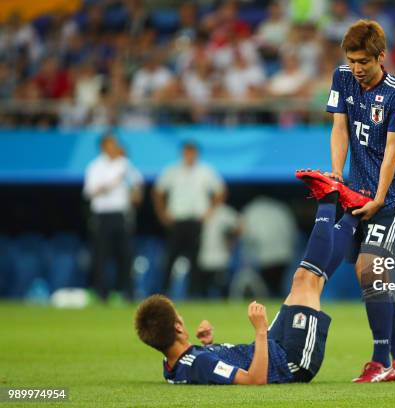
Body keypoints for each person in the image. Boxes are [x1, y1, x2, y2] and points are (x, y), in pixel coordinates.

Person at [134, 176, 372, 384]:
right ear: (177, 327)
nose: (182, 319)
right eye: (178, 317)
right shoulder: (197, 363)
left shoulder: (174, 366)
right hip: (292, 361)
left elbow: (203, 368)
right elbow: (254, 379)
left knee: (312, 280)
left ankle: (354, 211)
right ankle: (328, 199)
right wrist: (259, 329)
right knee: (305, 280)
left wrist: (209, 345)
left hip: (275, 349)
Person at [324, 20, 395, 382]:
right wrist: (336, 175)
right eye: (351, 60)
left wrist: (379, 198)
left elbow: (393, 153)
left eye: (363, 61)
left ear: (382, 56)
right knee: (372, 278)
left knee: (370, 270)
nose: (357, 68)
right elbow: (339, 128)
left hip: (390, 197)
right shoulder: (342, 78)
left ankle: (381, 363)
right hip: (355, 193)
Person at [152, 141, 225, 297]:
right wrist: (162, 213)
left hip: (196, 220)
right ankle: (164, 293)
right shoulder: (173, 170)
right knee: (170, 257)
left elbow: (220, 191)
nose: (190, 155)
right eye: (187, 152)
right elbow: (158, 191)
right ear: (183, 153)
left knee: (196, 259)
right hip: (177, 220)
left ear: (196, 153)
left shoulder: (205, 171)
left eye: (192, 152)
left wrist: (210, 212)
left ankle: (194, 293)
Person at [84, 133, 143, 302]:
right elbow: (89, 192)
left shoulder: (124, 164)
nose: (114, 147)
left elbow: (137, 184)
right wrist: (111, 184)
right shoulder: (95, 166)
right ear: (103, 147)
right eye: (110, 144)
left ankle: (127, 293)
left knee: (125, 255)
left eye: (115, 144)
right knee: (101, 256)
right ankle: (101, 294)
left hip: (121, 214)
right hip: (102, 215)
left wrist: (136, 194)